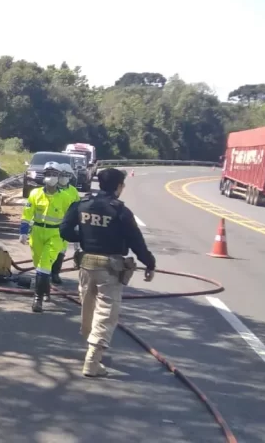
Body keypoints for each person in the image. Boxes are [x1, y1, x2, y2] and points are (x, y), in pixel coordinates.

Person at [59, 167, 156, 378]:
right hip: (110, 269)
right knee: (105, 312)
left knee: (88, 308)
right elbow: (136, 242)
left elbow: (64, 230)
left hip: (86, 265)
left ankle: (91, 347)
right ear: (118, 187)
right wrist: (149, 263)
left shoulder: (81, 205)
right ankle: (92, 362)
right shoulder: (120, 211)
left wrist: (85, 237)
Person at [19, 162, 74, 313]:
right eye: (48, 174)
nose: (51, 177)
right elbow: (27, 215)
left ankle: (38, 299)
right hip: (37, 234)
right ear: (44, 176)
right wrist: (23, 232)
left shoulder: (66, 198)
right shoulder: (35, 194)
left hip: (55, 235)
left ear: (59, 176)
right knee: (39, 266)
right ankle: (45, 289)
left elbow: (70, 219)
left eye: (54, 174)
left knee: (44, 265)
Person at [50, 162, 80, 287]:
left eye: (66, 175)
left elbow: (78, 209)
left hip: (65, 227)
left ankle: (55, 273)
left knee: (61, 251)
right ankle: (44, 274)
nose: (64, 178)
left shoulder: (73, 191)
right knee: (48, 251)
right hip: (50, 226)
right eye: (62, 175)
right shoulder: (51, 189)